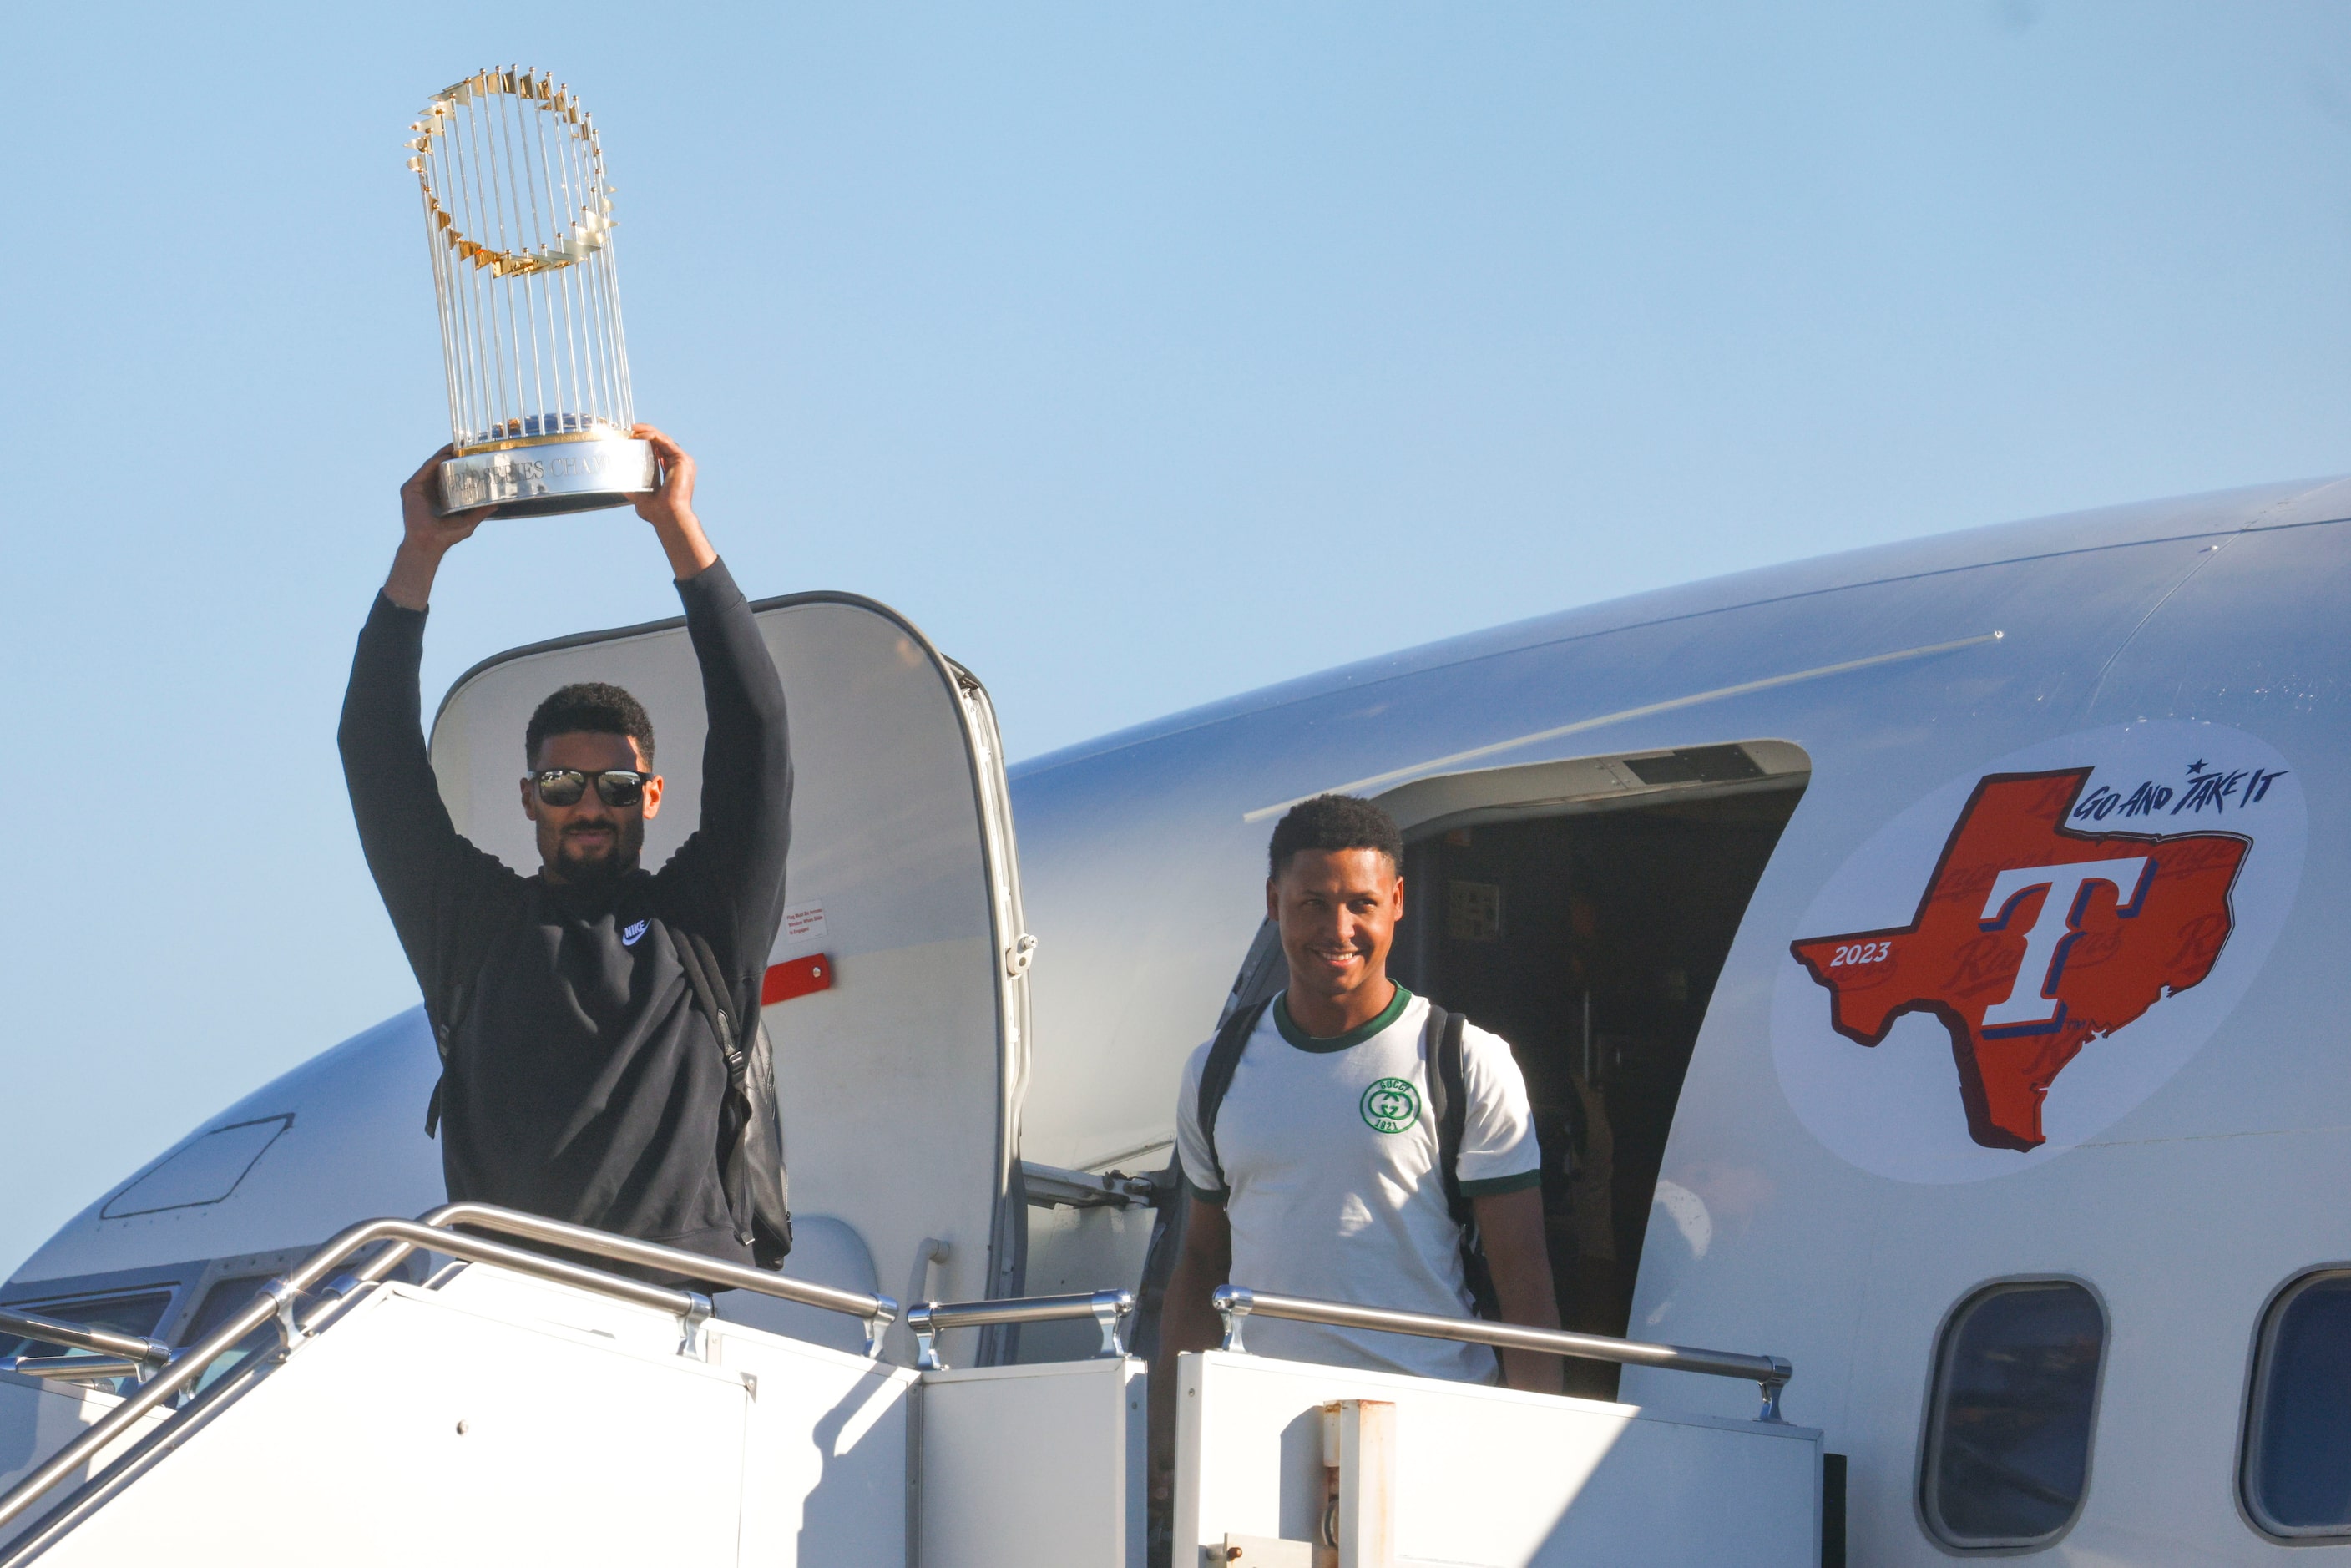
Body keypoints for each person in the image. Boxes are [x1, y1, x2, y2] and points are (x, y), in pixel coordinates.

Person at [338, 427, 792, 1271]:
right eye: (561, 787)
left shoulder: (705, 924)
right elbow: (374, 752)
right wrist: (421, 551)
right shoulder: (472, 931)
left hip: (676, 1313)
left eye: (617, 788)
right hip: (510, 1304)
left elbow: (756, 734)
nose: (589, 805)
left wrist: (674, 525)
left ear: (650, 797)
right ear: (527, 799)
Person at [1150, 795, 1562, 1484]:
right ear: (1273, 901)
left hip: (1435, 1430)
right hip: (1259, 1437)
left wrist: (1544, 1454)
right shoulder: (1214, 1068)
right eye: (1312, 902)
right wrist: (1165, 1431)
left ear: (1397, 901)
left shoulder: (1464, 1058)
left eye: (1361, 904)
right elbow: (1198, 1262)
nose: (1338, 929)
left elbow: (1524, 1274)